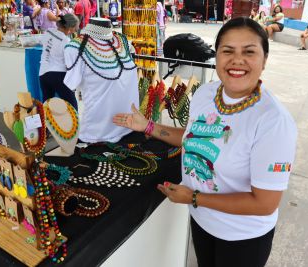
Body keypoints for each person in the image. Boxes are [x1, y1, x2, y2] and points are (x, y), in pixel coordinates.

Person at [113, 17, 297, 267]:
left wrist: (194, 197)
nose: (237, 60)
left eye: (249, 51)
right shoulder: (206, 93)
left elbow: (265, 203)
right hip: (203, 223)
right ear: (217, 56)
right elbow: (192, 138)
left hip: (242, 239)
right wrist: (147, 125)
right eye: (227, 51)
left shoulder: (274, 122)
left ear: (264, 60)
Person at [63, 18, 139, 143]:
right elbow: (71, 85)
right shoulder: (76, 48)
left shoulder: (122, 41)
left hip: (130, 128)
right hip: (97, 135)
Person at [39, 14, 79, 110]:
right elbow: (69, 64)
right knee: (72, 106)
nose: (76, 30)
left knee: (47, 106)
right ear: (70, 27)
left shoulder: (48, 31)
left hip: (43, 73)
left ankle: (48, 125)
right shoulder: (66, 41)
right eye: (75, 27)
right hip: (59, 75)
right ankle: (75, 125)